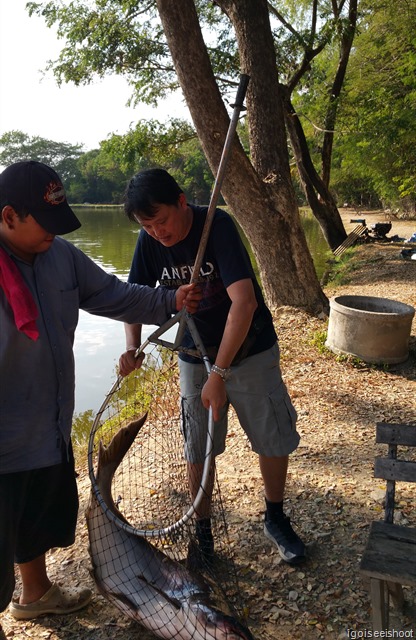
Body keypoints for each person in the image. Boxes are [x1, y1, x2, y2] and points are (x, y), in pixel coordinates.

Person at [0, 161, 200, 633]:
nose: (55, 234)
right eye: (44, 224)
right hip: (3, 440)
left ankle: (36, 594)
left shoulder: (61, 257)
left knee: (35, 519)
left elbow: (115, 295)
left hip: (46, 429)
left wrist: (170, 301)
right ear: (9, 216)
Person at [119, 168, 306, 568]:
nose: (157, 232)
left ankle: (275, 517)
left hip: (249, 349)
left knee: (270, 436)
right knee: (198, 445)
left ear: (182, 202)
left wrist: (219, 375)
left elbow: (246, 302)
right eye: (147, 226)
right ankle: (202, 533)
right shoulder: (149, 242)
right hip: (192, 352)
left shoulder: (216, 225)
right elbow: (134, 299)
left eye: (162, 220)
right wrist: (132, 347)